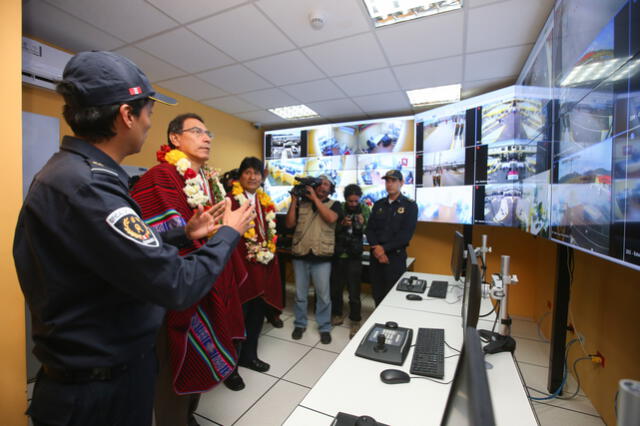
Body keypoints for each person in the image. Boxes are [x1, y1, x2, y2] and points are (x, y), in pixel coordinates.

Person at [13, 51, 255, 426]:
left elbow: (117, 251)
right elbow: (175, 284)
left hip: (99, 377)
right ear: (127, 115)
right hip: (98, 393)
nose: (147, 123)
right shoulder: (90, 187)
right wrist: (228, 233)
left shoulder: (74, 173)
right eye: (148, 113)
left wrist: (183, 233)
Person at [130, 113, 249, 424]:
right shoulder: (160, 177)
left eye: (208, 132)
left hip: (209, 280)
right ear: (174, 139)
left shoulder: (208, 181)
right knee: (173, 367)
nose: (207, 138)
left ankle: (188, 415)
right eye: (197, 131)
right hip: (175, 291)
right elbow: (148, 240)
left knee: (198, 361)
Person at [224, 157, 283, 390]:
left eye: (257, 173)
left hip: (262, 269)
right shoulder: (230, 200)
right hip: (239, 271)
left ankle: (249, 356)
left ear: (262, 177)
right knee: (236, 320)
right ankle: (230, 370)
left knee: (257, 316)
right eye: (247, 172)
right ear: (240, 176)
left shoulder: (264, 201)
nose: (252, 177)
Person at [285, 175, 343, 344]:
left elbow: (331, 218)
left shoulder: (335, 205)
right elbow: (289, 224)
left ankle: (324, 327)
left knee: (324, 296)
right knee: (300, 295)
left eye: (326, 183)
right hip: (300, 254)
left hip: (322, 257)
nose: (322, 185)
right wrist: (294, 200)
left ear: (330, 188)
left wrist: (315, 200)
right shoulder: (302, 203)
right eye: (320, 183)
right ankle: (300, 324)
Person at [365, 170, 418, 306]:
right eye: (387, 181)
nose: (390, 184)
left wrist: (383, 249)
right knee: (377, 294)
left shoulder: (410, 206)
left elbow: (405, 236)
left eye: (393, 181)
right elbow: (369, 229)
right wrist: (377, 249)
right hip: (376, 257)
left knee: (394, 297)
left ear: (401, 183)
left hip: (395, 258)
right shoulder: (378, 205)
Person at [330, 184, 370, 338]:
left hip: (354, 255)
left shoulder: (365, 209)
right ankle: (337, 314)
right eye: (350, 201)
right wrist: (341, 224)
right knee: (336, 289)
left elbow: (368, 229)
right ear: (345, 199)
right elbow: (329, 227)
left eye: (355, 201)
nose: (353, 204)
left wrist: (362, 222)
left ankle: (355, 321)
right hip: (339, 254)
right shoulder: (338, 207)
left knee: (354, 291)